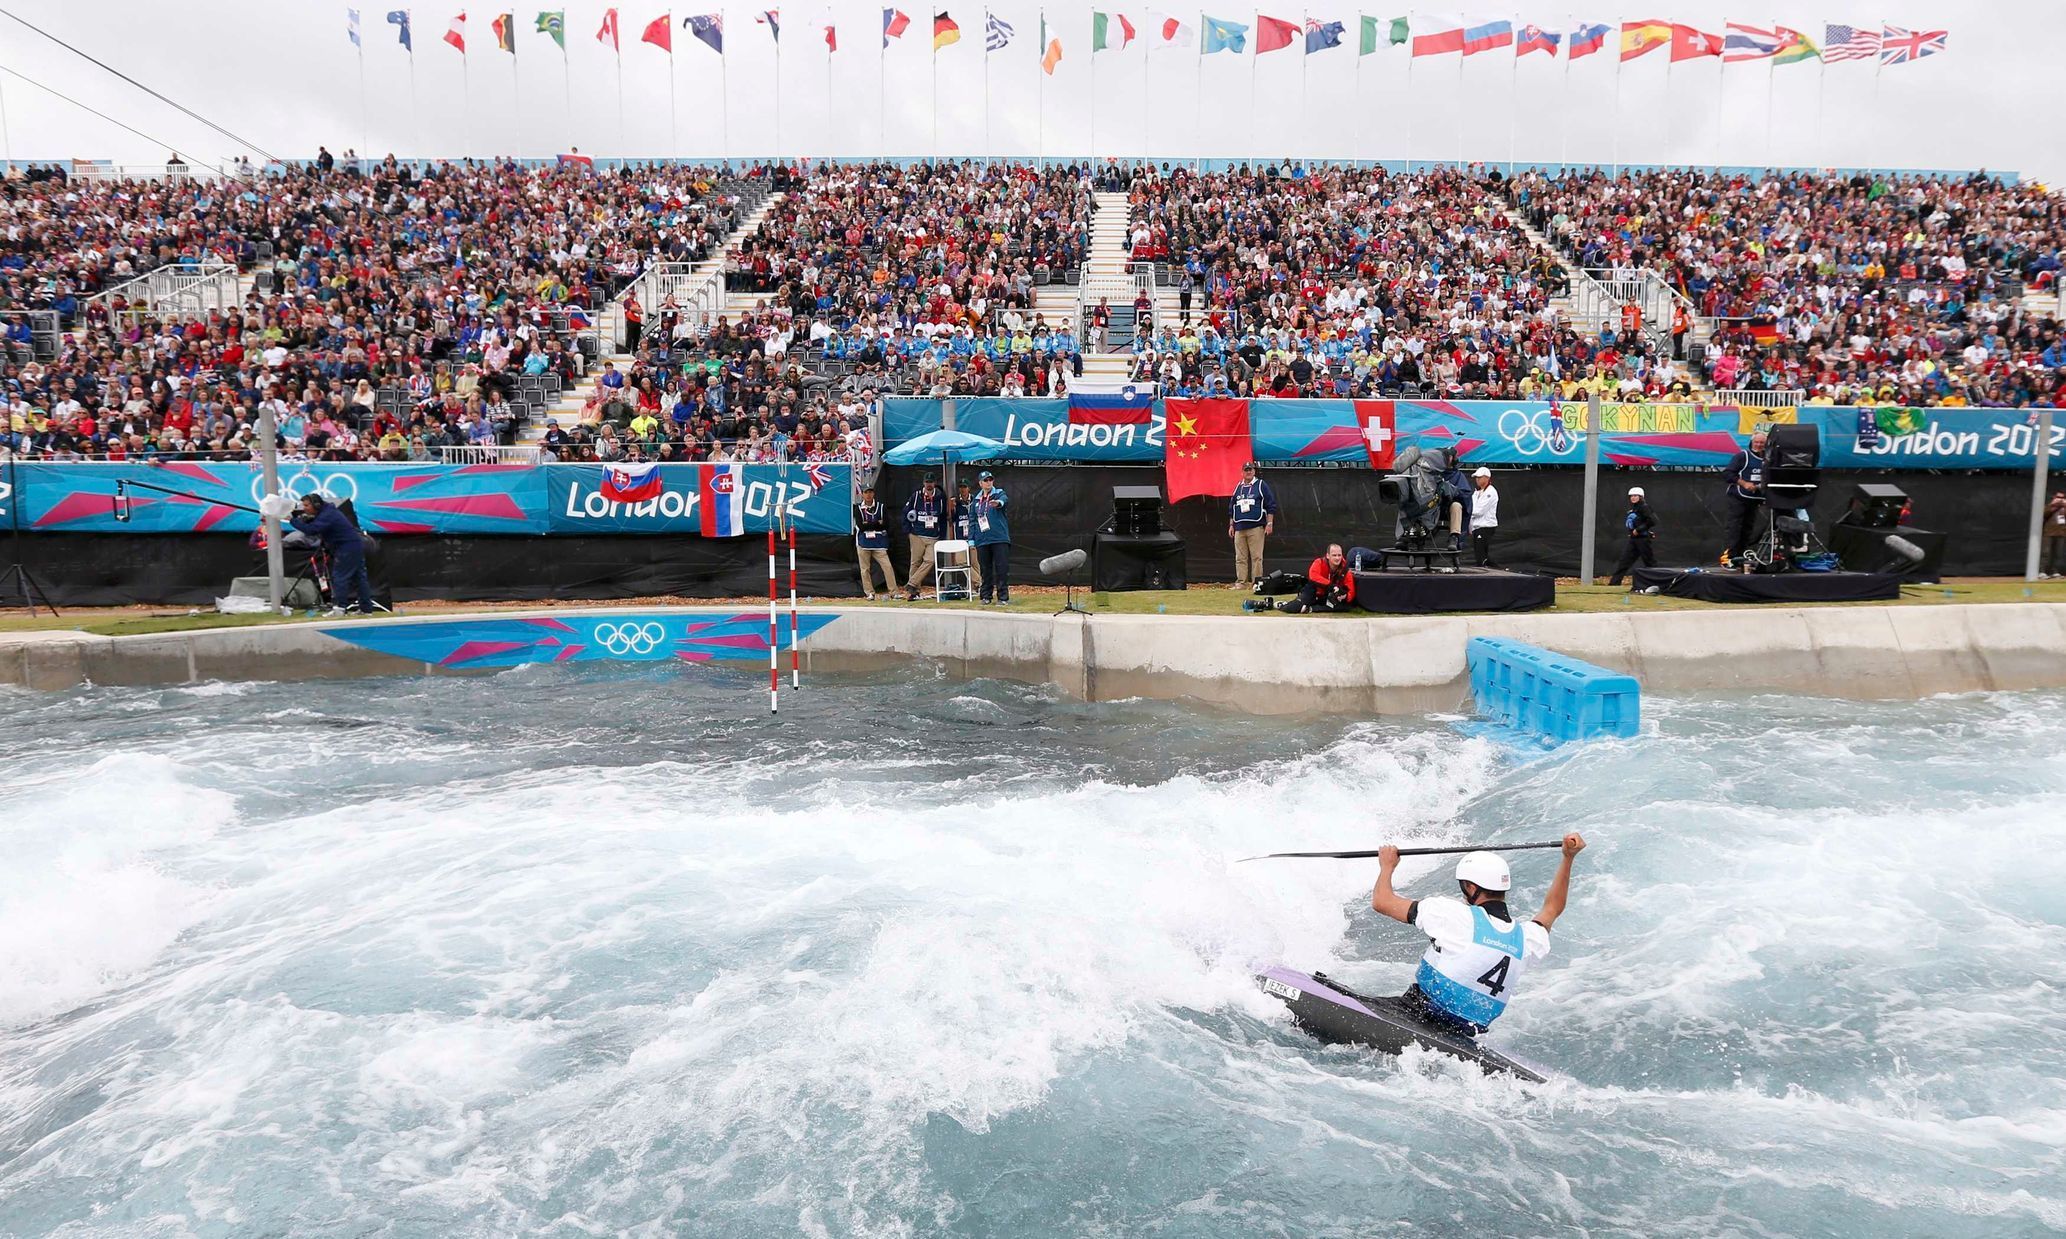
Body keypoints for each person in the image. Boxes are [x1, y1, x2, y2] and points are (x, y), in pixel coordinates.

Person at [1366, 833, 1587, 1035]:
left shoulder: (1455, 915)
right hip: (1463, 1033)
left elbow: (1381, 902)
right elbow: (1552, 909)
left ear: (1471, 888)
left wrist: (1387, 866)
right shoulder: (1527, 938)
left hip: (1415, 1013)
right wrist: (1568, 858)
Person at [289, 493, 373, 615]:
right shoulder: (326, 512)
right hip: (352, 546)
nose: (304, 508)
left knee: (340, 577)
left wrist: (292, 521)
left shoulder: (327, 515)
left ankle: (339, 608)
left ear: (316, 505)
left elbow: (312, 530)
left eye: (307, 505)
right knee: (359, 579)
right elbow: (315, 525)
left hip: (346, 548)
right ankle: (366, 610)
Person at [1720, 430, 1768, 570]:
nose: (1759, 445)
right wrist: (1744, 483)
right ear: (1752, 442)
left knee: (1748, 529)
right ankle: (1728, 559)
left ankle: (1741, 557)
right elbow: (1728, 474)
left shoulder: (1768, 459)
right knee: (1734, 528)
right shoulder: (1743, 456)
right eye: (1757, 442)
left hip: (1755, 499)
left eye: (1762, 443)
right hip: (1738, 497)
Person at [1264, 543, 1355, 613]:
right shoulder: (1319, 562)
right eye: (1334, 555)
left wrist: (1345, 596)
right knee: (1295, 607)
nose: (1337, 558)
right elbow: (1313, 576)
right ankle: (1282, 605)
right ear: (1328, 556)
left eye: (1339, 555)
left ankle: (1311, 609)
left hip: (1329, 595)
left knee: (1345, 607)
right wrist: (1331, 586)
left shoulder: (1345, 570)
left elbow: (1351, 592)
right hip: (1314, 590)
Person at [1228, 460, 1278, 588]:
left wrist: (1270, 523)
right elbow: (1232, 507)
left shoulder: (1261, 485)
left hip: (1256, 527)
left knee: (1256, 557)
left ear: (1254, 471)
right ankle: (1241, 583)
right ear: (1242, 472)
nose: (1248, 472)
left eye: (1251, 469)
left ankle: (1256, 583)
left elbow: (1270, 504)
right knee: (1240, 557)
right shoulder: (1238, 487)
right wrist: (1231, 525)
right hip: (1239, 527)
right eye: (1246, 470)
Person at [969, 470, 1011, 604]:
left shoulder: (999, 493)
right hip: (982, 539)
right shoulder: (976, 500)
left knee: (1001, 568)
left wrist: (998, 503)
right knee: (985, 569)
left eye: (990, 479)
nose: (989, 482)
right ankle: (986, 596)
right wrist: (971, 539)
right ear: (980, 483)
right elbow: (973, 520)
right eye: (986, 480)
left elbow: (1004, 500)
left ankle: (1003, 597)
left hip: (999, 538)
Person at [903, 474, 948, 600]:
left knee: (930, 560)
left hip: (933, 536)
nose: (929, 484)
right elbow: (905, 512)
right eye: (927, 482)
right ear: (923, 483)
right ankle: (914, 593)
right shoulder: (916, 496)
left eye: (931, 482)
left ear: (935, 483)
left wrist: (942, 535)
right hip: (917, 535)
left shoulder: (940, 498)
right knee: (915, 562)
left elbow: (943, 517)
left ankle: (912, 583)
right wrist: (908, 531)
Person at [1608, 485, 1658, 586]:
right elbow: (1638, 522)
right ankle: (1614, 584)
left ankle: (1658, 584)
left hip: (1643, 540)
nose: (1633, 497)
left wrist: (1639, 530)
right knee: (1624, 562)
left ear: (1641, 497)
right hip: (1634, 540)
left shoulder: (1644, 507)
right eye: (1631, 496)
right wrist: (1633, 532)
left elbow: (1653, 521)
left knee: (1650, 563)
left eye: (1636, 495)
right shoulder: (1634, 509)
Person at [854, 484, 897, 599]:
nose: (868, 495)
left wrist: (869, 524)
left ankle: (893, 591)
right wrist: (877, 523)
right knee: (865, 569)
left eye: (870, 492)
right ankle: (869, 592)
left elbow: (886, 524)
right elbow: (861, 526)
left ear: (874, 493)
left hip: (879, 542)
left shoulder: (881, 507)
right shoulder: (858, 508)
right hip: (863, 542)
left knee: (887, 566)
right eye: (866, 492)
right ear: (862, 494)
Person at [951, 480, 983, 594]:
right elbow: (951, 519)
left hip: (973, 536)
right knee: (960, 561)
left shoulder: (975, 500)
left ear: (969, 488)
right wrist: (952, 508)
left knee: (974, 562)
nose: (963, 489)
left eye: (964, 487)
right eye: (961, 487)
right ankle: (979, 582)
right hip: (960, 537)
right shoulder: (956, 502)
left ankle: (975, 588)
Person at [1468, 467, 1500, 568]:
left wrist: (1467, 511)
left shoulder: (1490, 492)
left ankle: (1484, 573)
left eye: (1479, 477)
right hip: (1477, 527)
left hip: (1486, 527)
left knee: (1480, 554)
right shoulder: (1476, 493)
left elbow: (1478, 511)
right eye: (1476, 477)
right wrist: (1470, 527)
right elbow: (1473, 508)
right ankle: (1497, 569)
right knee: (1482, 554)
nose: (1477, 479)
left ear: (1487, 478)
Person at [2045, 491, 2066, 578]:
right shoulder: (2050, 506)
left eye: (2062, 498)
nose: (2060, 500)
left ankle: (2055, 571)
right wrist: (2052, 505)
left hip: (2061, 533)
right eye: (2058, 498)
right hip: (2049, 532)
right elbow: (2045, 514)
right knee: (2046, 553)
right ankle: (2042, 571)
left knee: (2058, 553)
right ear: (2054, 498)